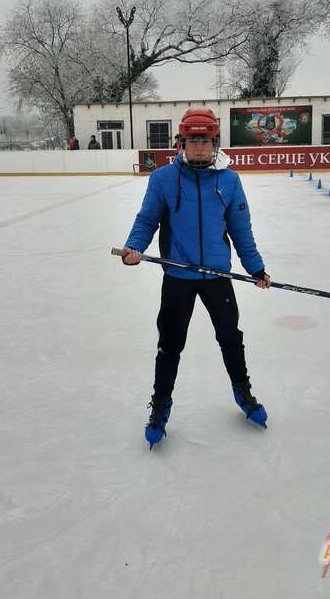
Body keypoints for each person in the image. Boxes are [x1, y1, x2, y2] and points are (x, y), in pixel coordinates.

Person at [120, 108, 271, 449]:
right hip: (178, 275)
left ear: (215, 142)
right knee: (170, 345)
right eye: (193, 140)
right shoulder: (162, 179)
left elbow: (240, 229)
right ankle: (160, 406)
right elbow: (147, 220)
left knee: (230, 337)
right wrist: (134, 247)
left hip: (218, 275)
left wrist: (256, 268)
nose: (200, 147)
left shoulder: (229, 181)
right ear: (182, 142)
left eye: (206, 140)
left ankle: (243, 392)